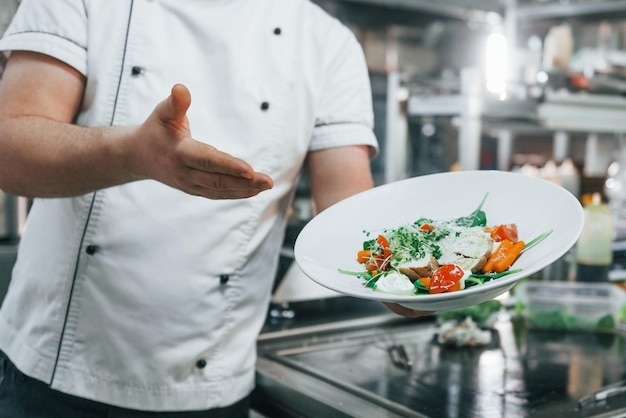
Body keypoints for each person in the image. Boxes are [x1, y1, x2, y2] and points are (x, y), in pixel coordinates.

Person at [0, 0, 426, 416]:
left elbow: (347, 213)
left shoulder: (327, 42)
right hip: (52, 375)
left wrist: (423, 279)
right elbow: (8, 151)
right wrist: (133, 155)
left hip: (210, 391)